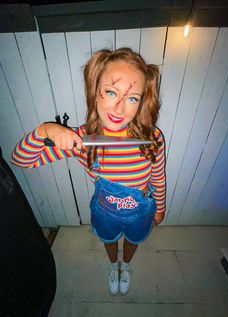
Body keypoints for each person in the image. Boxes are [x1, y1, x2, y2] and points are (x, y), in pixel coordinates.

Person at [11, 48, 166, 296]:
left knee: (133, 240)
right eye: (111, 92)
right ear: (96, 92)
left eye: (132, 98)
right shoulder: (82, 140)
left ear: (142, 102)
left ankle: (125, 266)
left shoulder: (153, 138)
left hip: (140, 211)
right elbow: (21, 160)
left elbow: (158, 175)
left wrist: (159, 207)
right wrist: (45, 130)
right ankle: (113, 264)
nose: (119, 108)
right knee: (109, 239)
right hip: (106, 210)